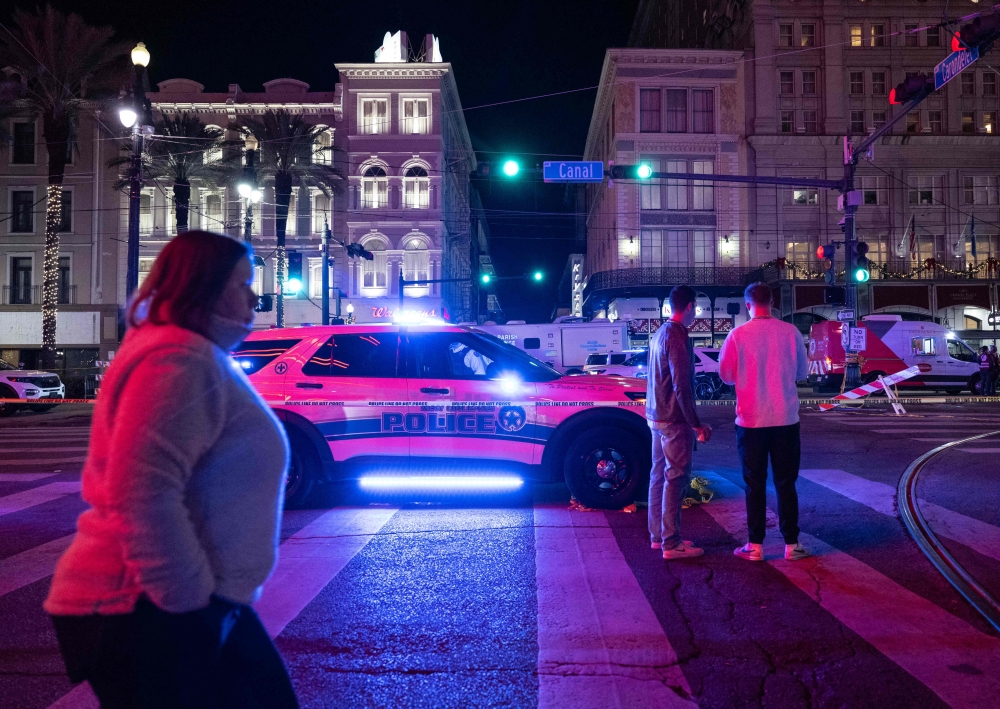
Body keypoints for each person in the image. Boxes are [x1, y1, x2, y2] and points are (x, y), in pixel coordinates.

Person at [44, 231, 298, 708]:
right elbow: (141, 491)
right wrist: (189, 602)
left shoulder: (189, 354)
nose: (254, 296)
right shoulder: (177, 359)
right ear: (205, 286)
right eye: (243, 283)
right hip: (147, 605)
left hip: (181, 603)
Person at [719, 282, 809, 562]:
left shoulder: (737, 335)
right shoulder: (790, 332)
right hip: (785, 418)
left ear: (748, 305)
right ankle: (792, 544)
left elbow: (726, 375)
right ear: (772, 303)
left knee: (754, 484)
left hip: (750, 420)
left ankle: (755, 545)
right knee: (786, 483)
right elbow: (803, 373)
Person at [646, 285, 712, 561]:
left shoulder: (659, 333)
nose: (695, 312)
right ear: (689, 306)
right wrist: (696, 424)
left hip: (655, 416)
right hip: (674, 418)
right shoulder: (676, 335)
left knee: (658, 475)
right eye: (695, 307)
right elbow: (682, 384)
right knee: (676, 478)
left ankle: (658, 536)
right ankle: (671, 543)